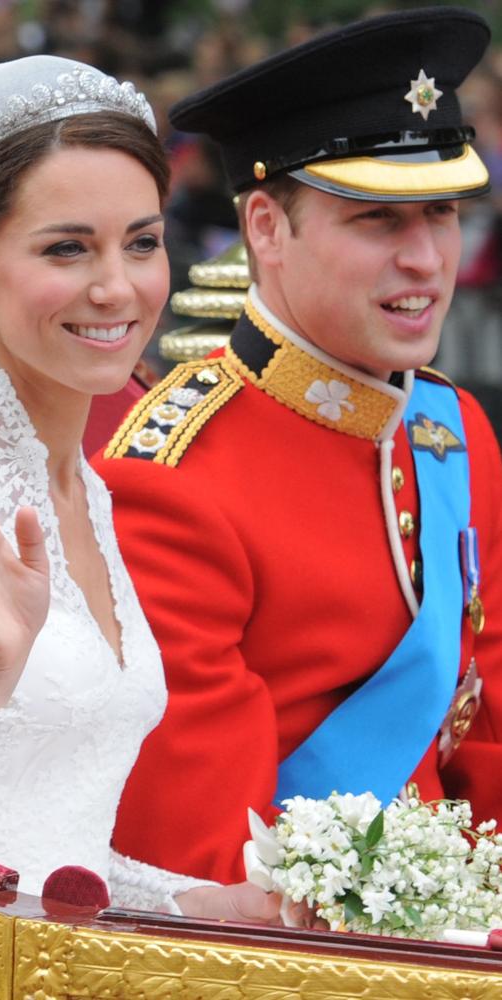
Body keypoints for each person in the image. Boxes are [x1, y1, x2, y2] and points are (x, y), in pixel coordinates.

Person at [0, 53, 280, 923]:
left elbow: (50, 849)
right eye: (66, 248)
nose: (117, 287)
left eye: (143, 242)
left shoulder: (87, 491)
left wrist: (212, 906)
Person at [93, 6, 502, 885]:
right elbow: (205, 863)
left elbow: (487, 731)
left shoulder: (454, 429)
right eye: (378, 222)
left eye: (441, 214)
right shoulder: (171, 478)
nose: (428, 260)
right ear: (267, 230)